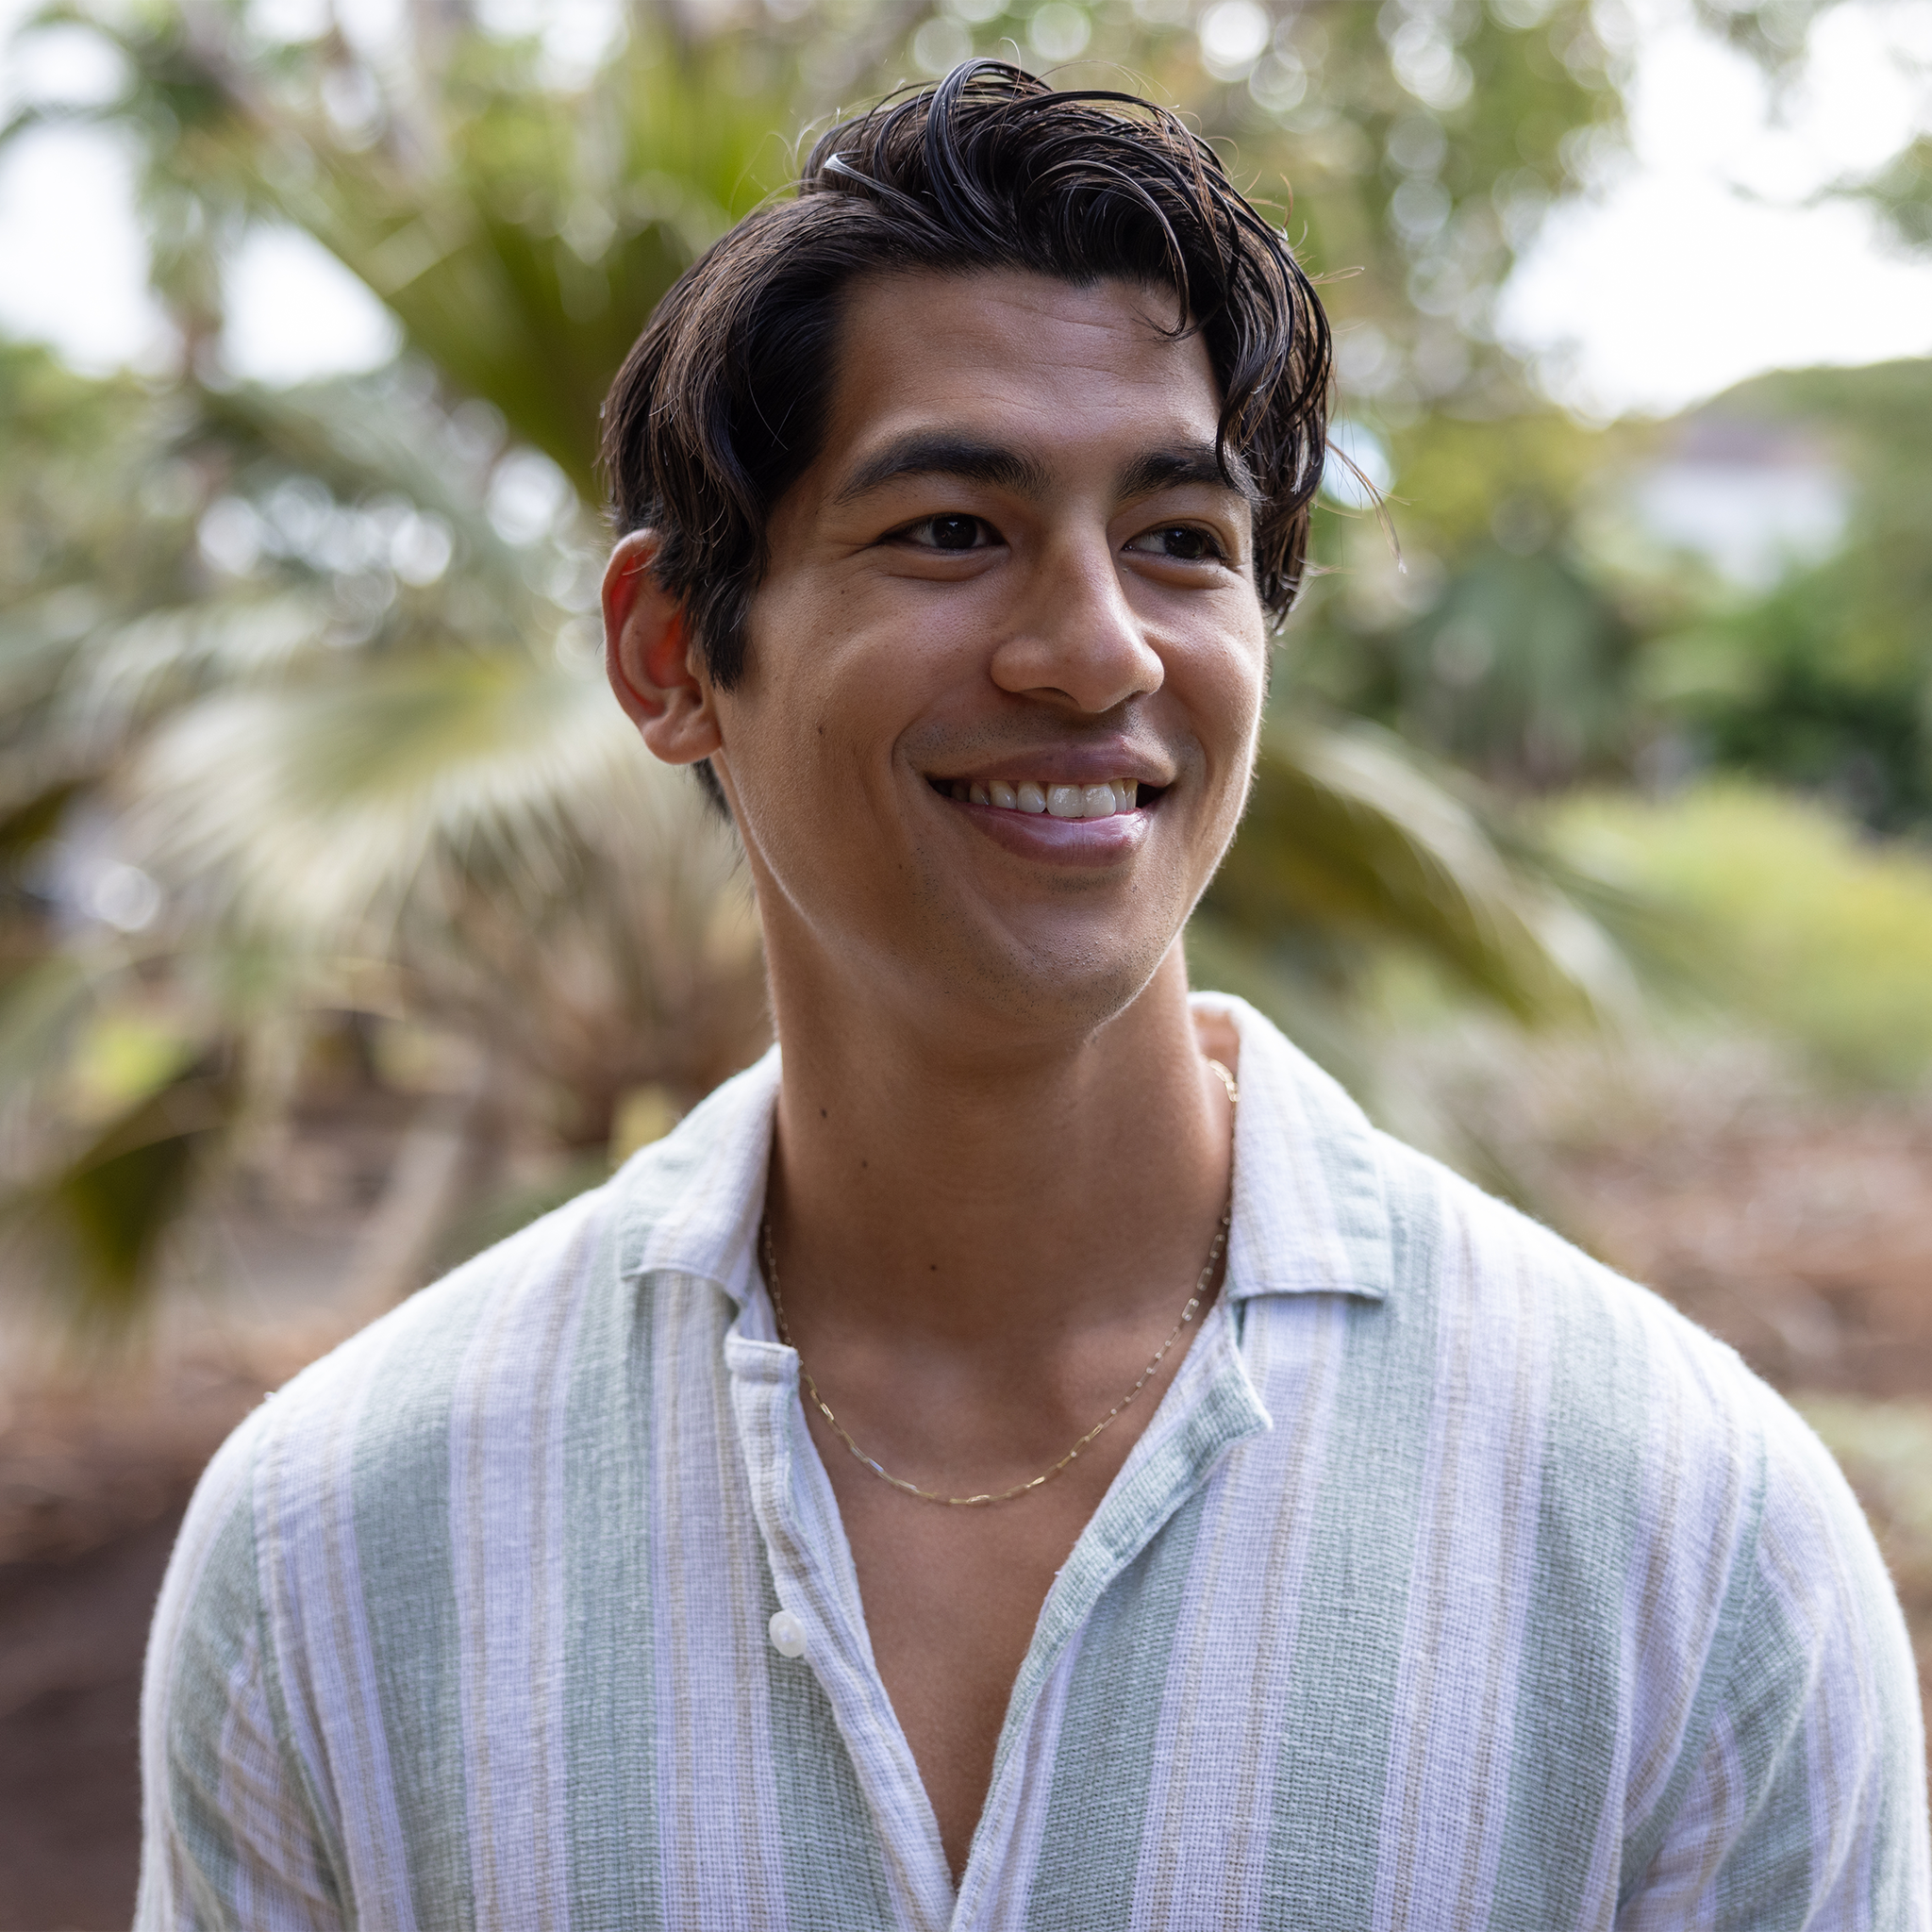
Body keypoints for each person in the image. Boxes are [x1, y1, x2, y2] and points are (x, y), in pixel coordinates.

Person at [138, 61, 1927, 1929]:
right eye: (949, 532)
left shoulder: (1679, 1535)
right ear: (671, 652)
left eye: (1179, 542)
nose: (1093, 650)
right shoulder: (338, 1552)